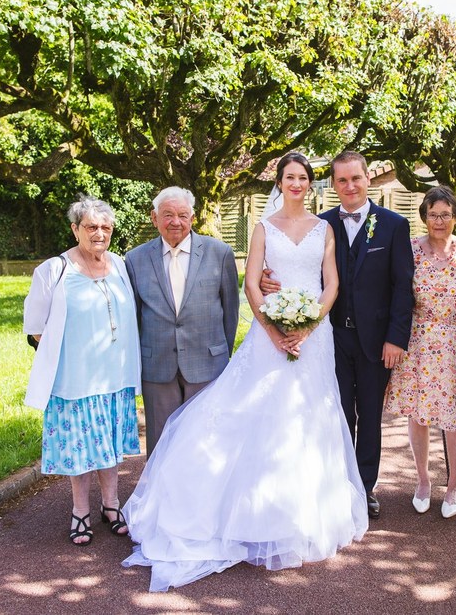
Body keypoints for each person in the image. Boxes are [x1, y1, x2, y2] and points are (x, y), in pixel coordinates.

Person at [122, 153, 368, 592]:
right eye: (289, 177)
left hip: (314, 337)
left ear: (311, 184)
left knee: (310, 416)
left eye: (303, 177)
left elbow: (331, 283)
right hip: (268, 335)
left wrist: (308, 326)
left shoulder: (324, 229)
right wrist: (273, 330)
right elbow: (251, 283)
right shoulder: (263, 227)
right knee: (260, 415)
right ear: (279, 182)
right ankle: (247, 513)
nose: (297, 183)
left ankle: (302, 513)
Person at [265, 150, 414, 519]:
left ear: (368, 179)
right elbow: (299, 269)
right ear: (333, 184)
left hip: (376, 341)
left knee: (370, 416)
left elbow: (402, 286)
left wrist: (396, 338)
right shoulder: (321, 224)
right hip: (329, 337)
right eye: (342, 180)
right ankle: (337, 485)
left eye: (356, 178)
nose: (350, 186)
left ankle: (365, 487)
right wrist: (269, 280)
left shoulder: (393, 225)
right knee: (337, 413)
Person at [23, 197, 142, 545]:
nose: (99, 233)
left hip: (115, 377)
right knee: (81, 449)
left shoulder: (120, 265)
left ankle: (111, 505)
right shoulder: (54, 270)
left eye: (106, 227)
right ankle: (80, 511)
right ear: (75, 229)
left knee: (109, 445)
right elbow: (36, 328)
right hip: (75, 380)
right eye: (91, 226)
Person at [123, 187, 240, 454]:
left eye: (182, 215)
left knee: (206, 441)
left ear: (193, 218)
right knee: (161, 442)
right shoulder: (135, 259)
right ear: (154, 218)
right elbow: (134, 317)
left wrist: (220, 352)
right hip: (157, 365)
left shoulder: (220, 253)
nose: (175, 221)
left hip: (207, 364)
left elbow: (230, 312)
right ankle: (160, 484)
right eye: (167, 215)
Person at [385, 186, 456, 519]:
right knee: (418, 414)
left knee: (454, 417)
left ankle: (454, 484)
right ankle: (423, 481)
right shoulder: (409, 250)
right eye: (433, 214)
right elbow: (393, 292)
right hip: (418, 341)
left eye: (445, 215)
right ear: (424, 216)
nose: (439, 221)